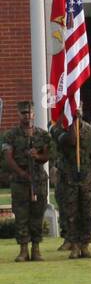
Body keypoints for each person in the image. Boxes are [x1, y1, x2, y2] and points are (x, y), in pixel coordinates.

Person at [3, 101, 51, 262]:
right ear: (18, 114)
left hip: (38, 179)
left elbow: (47, 156)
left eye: (29, 113)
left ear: (34, 114)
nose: (27, 116)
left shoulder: (42, 135)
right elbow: (8, 158)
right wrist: (22, 173)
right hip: (20, 180)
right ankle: (23, 250)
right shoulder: (11, 135)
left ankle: (36, 249)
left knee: (38, 214)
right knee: (21, 215)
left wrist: (37, 156)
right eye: (24, 113)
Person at [53, 116, 91, 259]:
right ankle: (74, 245)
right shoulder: (58, 129)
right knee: (71, 214)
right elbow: (72, 140)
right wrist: (72, 122)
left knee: (87, 213)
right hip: (69, 179)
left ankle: (85, 246)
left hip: (87, 178)